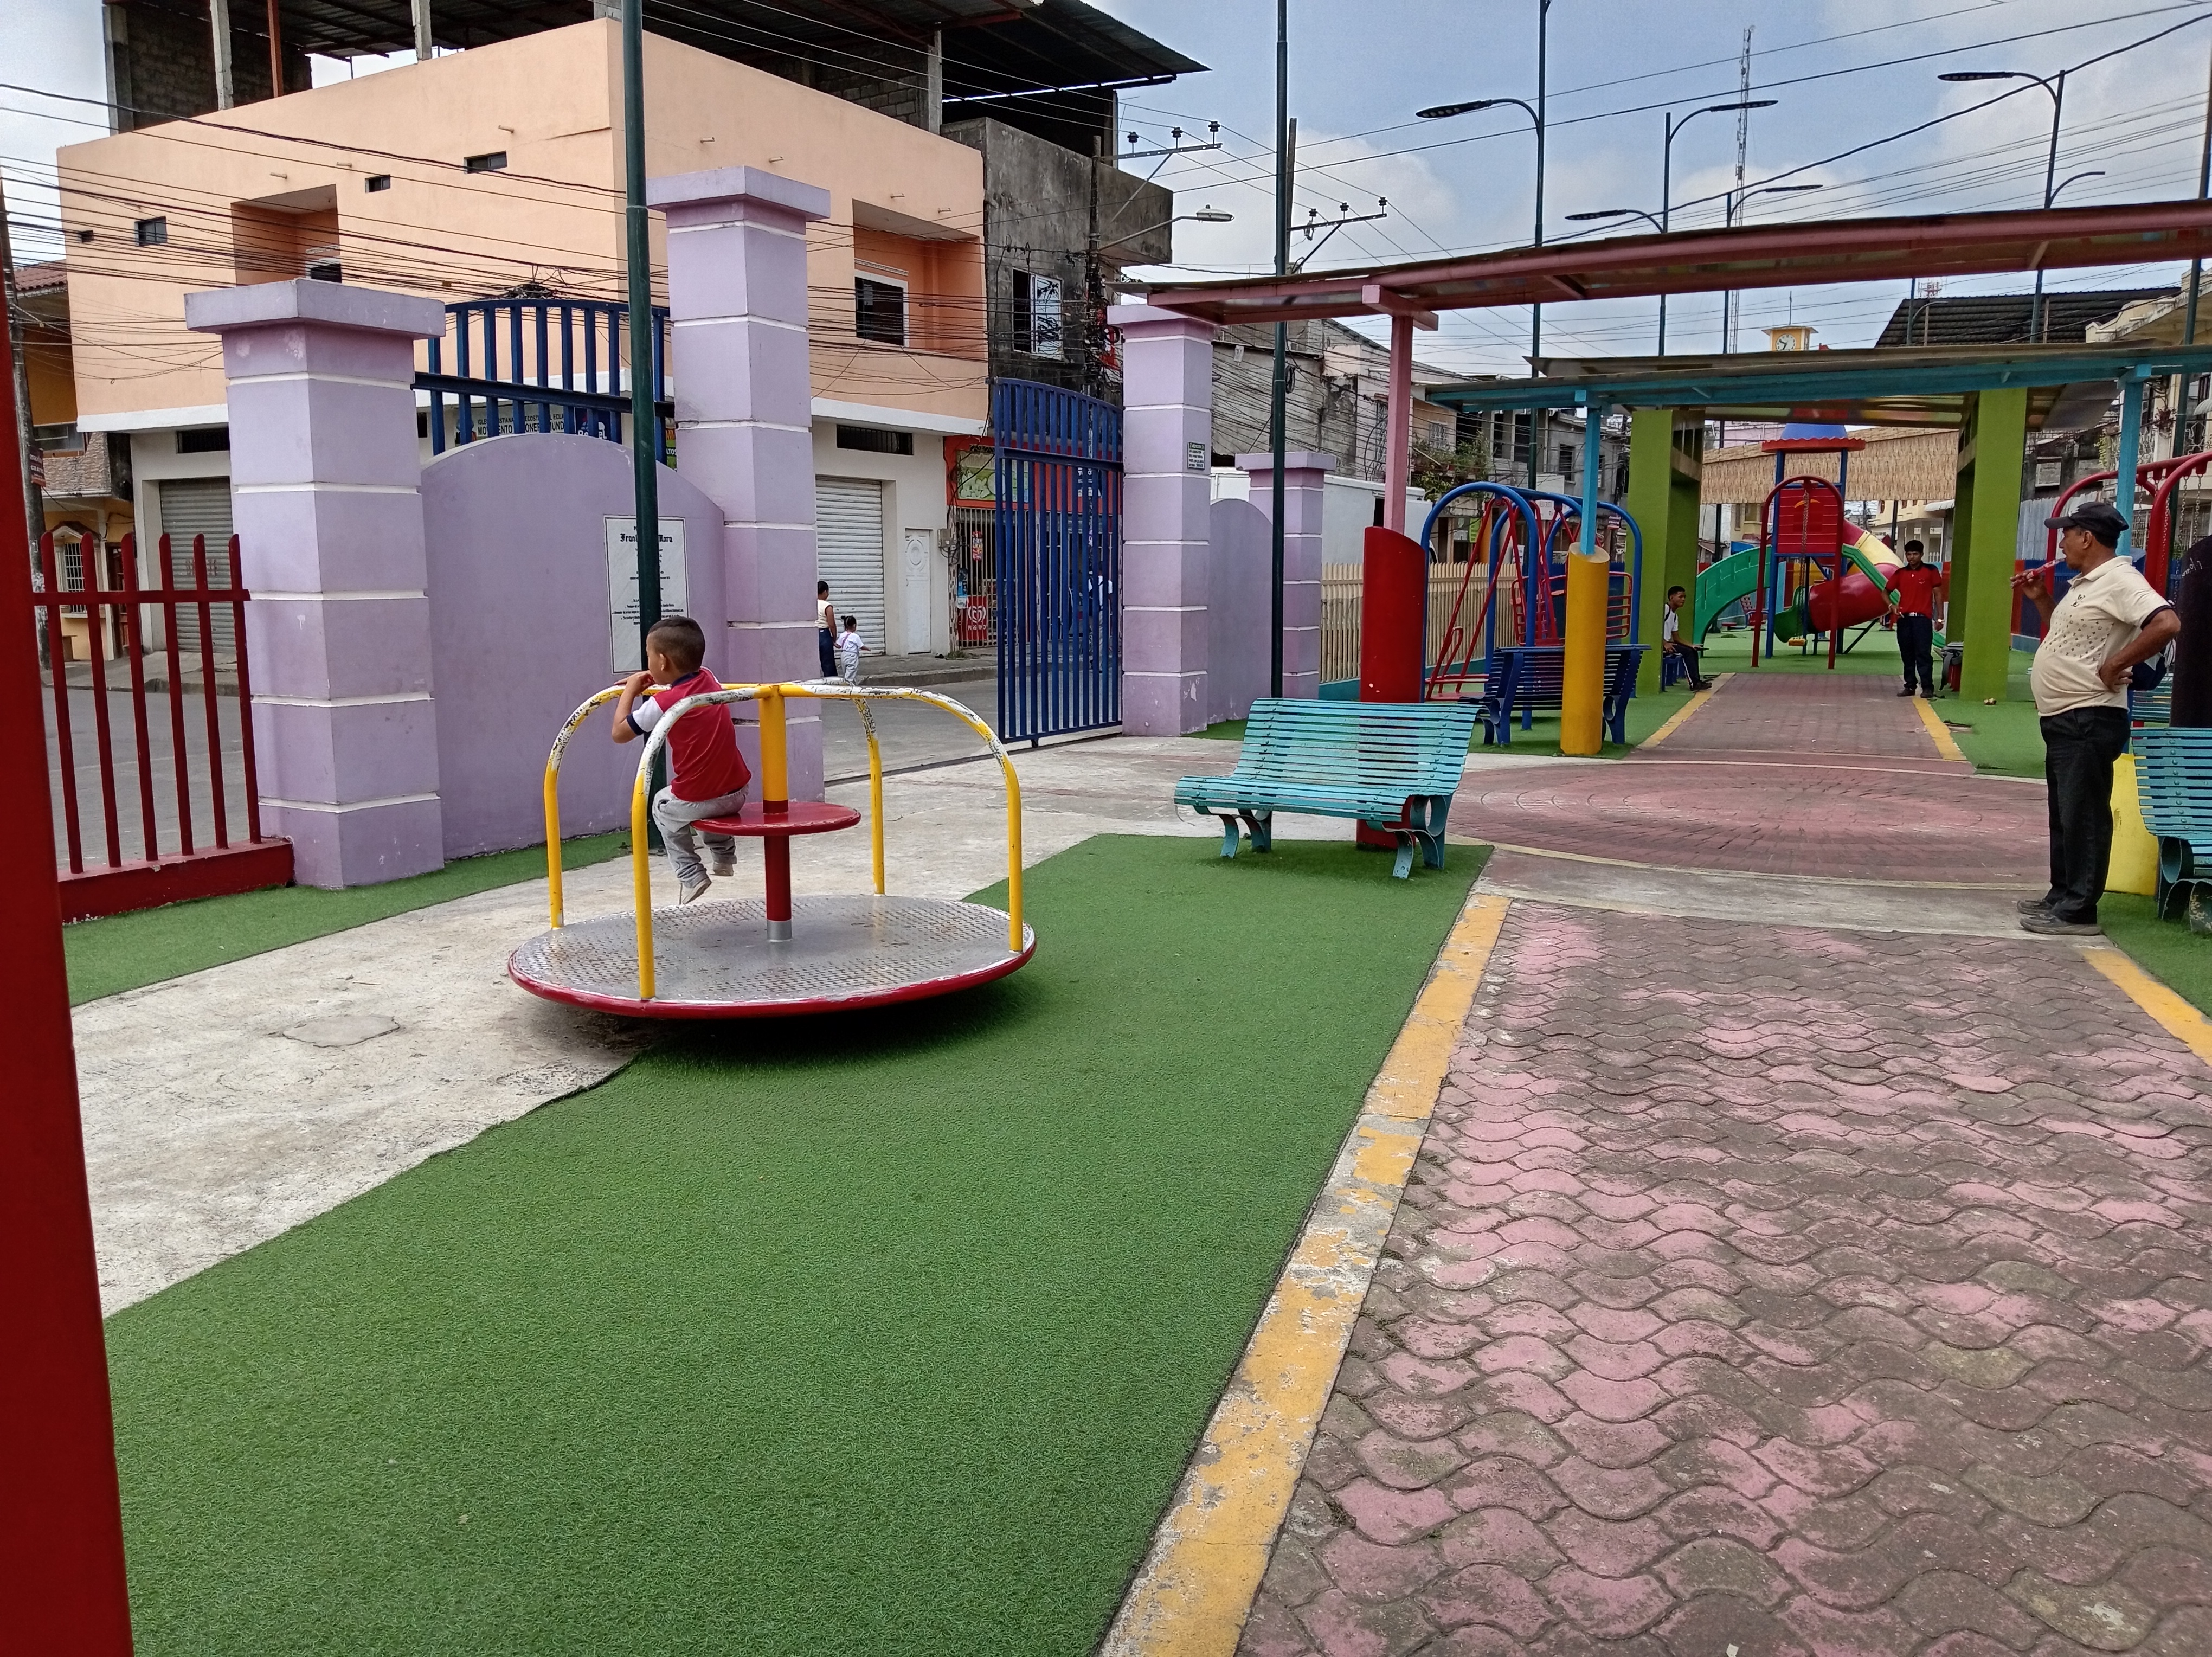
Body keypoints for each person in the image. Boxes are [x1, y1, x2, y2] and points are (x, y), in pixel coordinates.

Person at [2010, 502, 2180, 936]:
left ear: (2087, 537)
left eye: (2067, 534)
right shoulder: (2086, 583)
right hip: (2065, 715)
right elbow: (2070, 636)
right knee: (2065, 812)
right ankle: (2062, 894)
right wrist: (2042, 599)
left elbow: (2166, 623)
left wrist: (2115, 664)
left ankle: (2079, 910)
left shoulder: (2121, 580)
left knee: (2083, 814)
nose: (2061, 543)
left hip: (2089, 715)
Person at [611, 614, 751, 905]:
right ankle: (724, 857)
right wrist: (657, 675)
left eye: (649, 657)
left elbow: (620, 733)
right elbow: (682, 677)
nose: (648, 664)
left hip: (701, 799)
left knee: (662, 806)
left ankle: (691, 874)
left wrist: (630, 691)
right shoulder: (709, 677)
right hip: (738, 791)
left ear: (662, 662)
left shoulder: (664, 702)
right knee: (704, 803)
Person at [1885, 538, 1946, 698]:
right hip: (1904, 620)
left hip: (1922, 620)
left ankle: (1927, 687)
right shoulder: (1900, 573)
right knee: (1907, 654)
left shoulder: (1931, 571)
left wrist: (1940, 618)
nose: (1912, 557)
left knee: (1923, 654)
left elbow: (1938, 594)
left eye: (1915, 554)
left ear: (1922, 554)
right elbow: (1885, 591)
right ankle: (1910, 686)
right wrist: (1891, 606)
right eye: (1909, 554)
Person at [1660, 585, 1709, 690]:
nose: (1683, 599)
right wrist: (1664, 643)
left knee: (1692, 651)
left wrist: (1692, 645)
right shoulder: (1665, 609)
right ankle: (1694, 684)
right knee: (1687, 653)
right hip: (1661, 644)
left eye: (1684, 597)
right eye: (1680, 597)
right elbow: (1654, 629)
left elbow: (1677, 638)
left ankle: (1697, 681)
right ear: (1672, 597)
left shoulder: (1675, 616)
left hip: (1668, 644)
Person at [816, 580, 837, 679]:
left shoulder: (810, 604)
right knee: (828, 663)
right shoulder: (827, 606)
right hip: (824, 635)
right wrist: (834, 638)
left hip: (812, 634)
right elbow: (832, 625)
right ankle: (832, 683)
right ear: (825, 592)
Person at [836, 614, 864, 686]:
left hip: (844, 655)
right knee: (850, 675)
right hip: (852, 656)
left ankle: (853, 686)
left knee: (847, 673)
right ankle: (847, 689)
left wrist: (832, 642)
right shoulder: (855, 636)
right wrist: (868, 648)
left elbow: (838, 646)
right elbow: (862, 646)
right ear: (854, 625)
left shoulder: (842, 635)